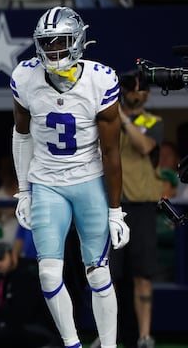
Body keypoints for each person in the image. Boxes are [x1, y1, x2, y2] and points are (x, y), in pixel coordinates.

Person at [10, 6, 129, 348]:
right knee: (47, 272)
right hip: (47, 182)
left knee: (99, 272)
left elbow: (111, 152)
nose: (53, 51)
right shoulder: (25, 77)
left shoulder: (100, 80)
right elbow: (21, 135)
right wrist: (24, 191)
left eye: (61, 42)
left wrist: (116, 210)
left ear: (77, 42)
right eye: (47, 43)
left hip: (89, 179)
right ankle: (72, 344)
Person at [112, 71, 164, 348]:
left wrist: (122, 118)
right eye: (130, 88)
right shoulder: (109, 121)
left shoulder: (152, 122)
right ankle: (109, 335)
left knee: (143, 275)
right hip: (114, 207)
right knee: (110, 277)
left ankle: (145, 336)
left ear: (147, 94)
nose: (134, 92)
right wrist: (115, 116)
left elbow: (143, 146)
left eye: (140, 89)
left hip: (142, 209)